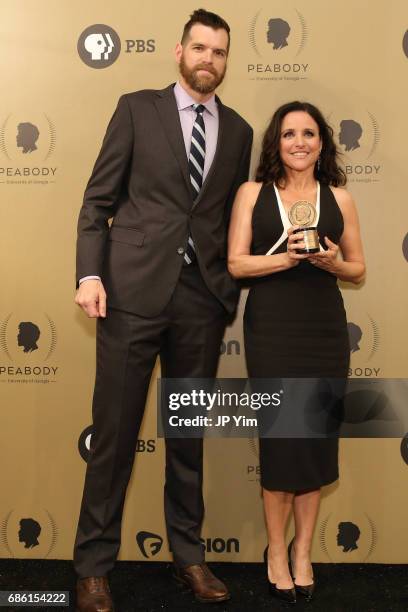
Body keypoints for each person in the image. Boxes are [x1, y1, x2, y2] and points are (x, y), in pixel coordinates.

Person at [74, 9, 252, 612]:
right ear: (179, 52)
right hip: (130, 295)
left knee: (187, 436)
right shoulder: (136, 108)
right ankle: (93, 568)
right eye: (200, 48)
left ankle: (189, 557)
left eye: (220, 52)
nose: (209, 59)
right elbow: (98, 200)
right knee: (116, 435)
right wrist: (90, 273)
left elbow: (227, 219)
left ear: (226, 61)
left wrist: (228, 285)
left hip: (201, 301)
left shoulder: (241, 130)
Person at [228, 101, 365, 603]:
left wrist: (331, 261)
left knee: (314, 442)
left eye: (308, 133)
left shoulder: (341, 199)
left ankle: (302, 550)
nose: (299, 142)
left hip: (324, 330)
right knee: (282, 440)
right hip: (273, 330)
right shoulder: (252, 194)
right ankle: (275, 552)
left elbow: (358, 269)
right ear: (276, 143)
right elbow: (237, 265)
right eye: (289, 134)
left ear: (321, 142)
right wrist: (287, 258)